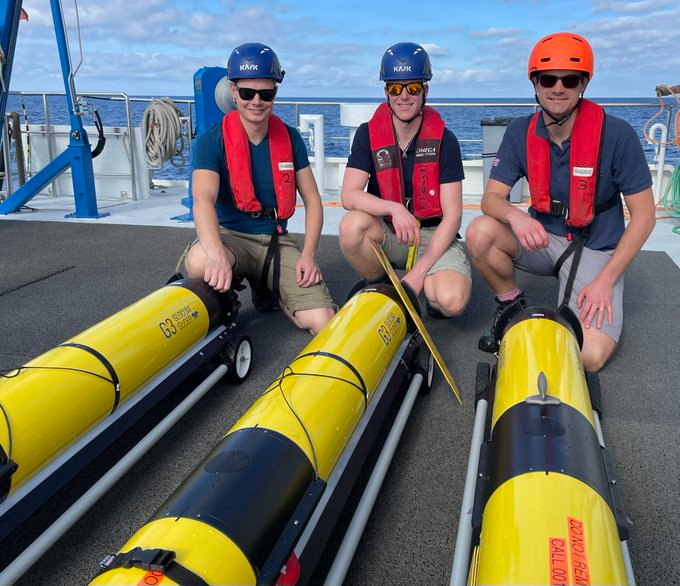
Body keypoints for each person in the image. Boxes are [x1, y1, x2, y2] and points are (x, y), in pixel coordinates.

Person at [465, 32, 655, 371]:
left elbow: (644, 217)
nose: (558, 88)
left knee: (589, 356)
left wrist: (606, 280)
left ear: (583, 84)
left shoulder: (618, 135)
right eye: (548, 79)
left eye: (569, 80)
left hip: (595, 249)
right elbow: (491, 199)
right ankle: (510, 306)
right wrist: (516, 215)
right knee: (480, 232)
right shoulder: (520, 132)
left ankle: (593, 289)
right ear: (535, 84)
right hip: (541, 240)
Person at [178, 43, 336, 334]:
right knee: (201, 261)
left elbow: (313, 201)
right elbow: (202, 200)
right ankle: (226, 297)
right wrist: (215, 254)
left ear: (275, 93)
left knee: (322, 320)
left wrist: (309, 255)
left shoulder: (290, 139)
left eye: (266, 93)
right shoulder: (211, 141)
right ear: (233, 91)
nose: (256, 102)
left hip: (276, 240)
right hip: (230, 239)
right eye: (247, 93)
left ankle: (266, 285)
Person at [338, 42, 471, 318]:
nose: (404, 96)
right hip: (391, 231)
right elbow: (349, 194)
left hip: (432, 234)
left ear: (425, 90)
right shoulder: (368, 135)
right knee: (352, 226)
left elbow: (453, 216)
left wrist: (419, 274)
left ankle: (426, 282)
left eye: (412, 87)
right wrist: (394, 208)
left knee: (450, 301)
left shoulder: (445, 140)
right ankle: (382, 285)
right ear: (387, 92)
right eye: (395, 88)